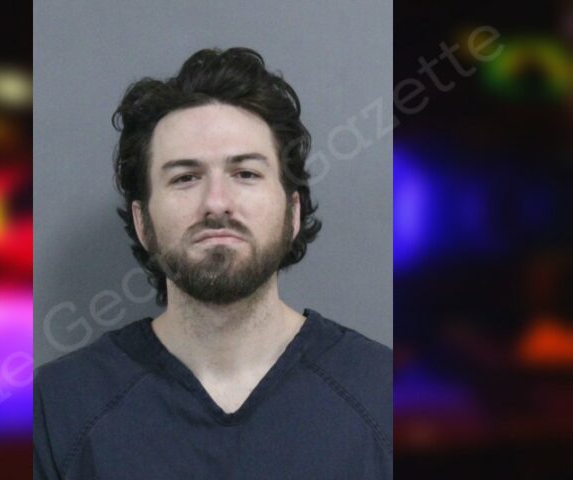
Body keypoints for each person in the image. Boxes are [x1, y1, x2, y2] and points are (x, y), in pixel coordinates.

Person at [34, 47, 391, 479]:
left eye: (246, 174)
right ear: (142, 222)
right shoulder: (58, 408)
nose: (217, 203)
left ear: (293, 212)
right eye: (185, 177)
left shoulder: (385, 396)